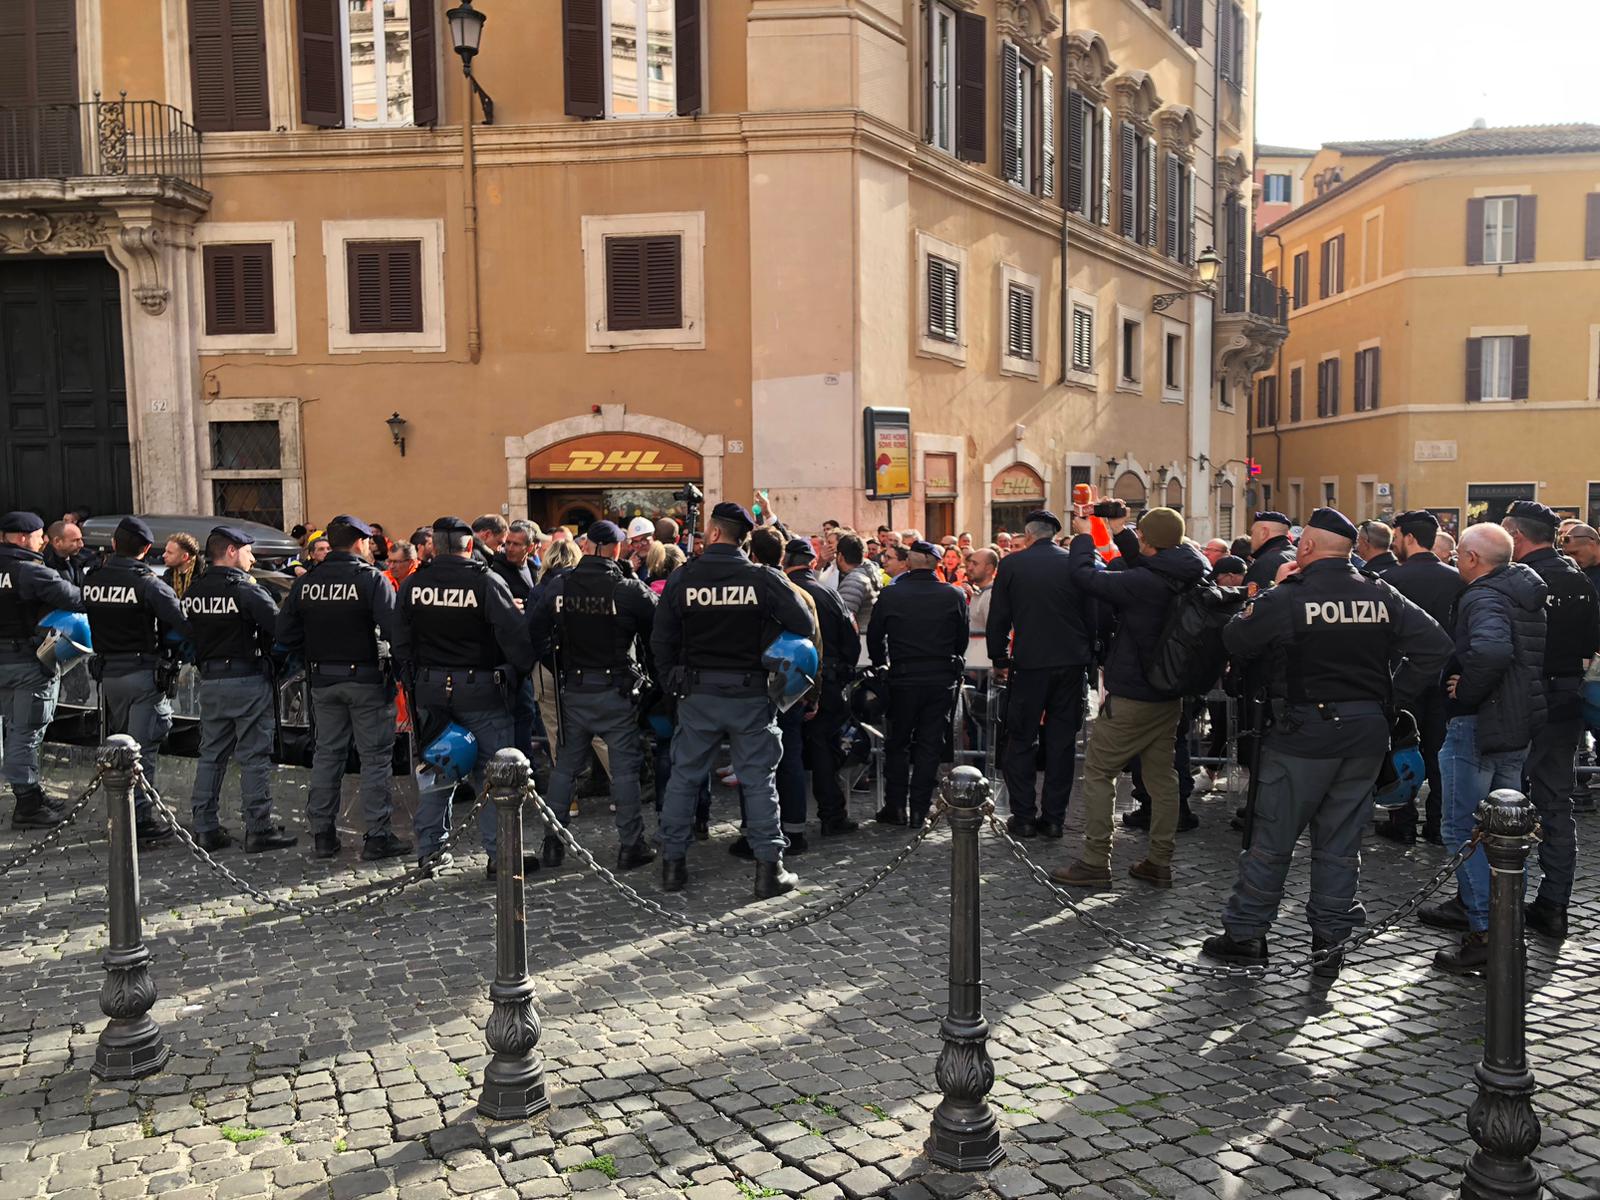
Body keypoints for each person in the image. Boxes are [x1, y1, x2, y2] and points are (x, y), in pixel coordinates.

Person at [1197, 508, 1452, 975]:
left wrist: (1274, 586)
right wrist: (1390, 699)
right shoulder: (1380, 591)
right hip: (1365, 735)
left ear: (1307, 547)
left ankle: (1246, 934)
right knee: (1340, 842)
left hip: (1302, 734)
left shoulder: (1290, 596)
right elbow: (1435, 646)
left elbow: (1236, 639)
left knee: (1273, 837)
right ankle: (1330, 943)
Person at [651, 502, 813, 897]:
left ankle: (672, 865)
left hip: (697, 692)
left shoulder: (683, 578)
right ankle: (768, 870)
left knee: (685, 778)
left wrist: (671, 680)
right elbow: (803, 625)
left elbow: (661, 639)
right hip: (750, 693)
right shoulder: (763, 579)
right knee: (759, 781)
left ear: (716, 533)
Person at [1054, 507, 1207, 891]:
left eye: (1140, 537)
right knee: (1162, 778)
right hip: (1167, 691)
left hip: (1134, 693)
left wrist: (1085, 536)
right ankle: (1159, 860)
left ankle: (1094, 860)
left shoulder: (1144, 582)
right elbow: (1149, 559)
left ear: (1150, 543)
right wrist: (1120, 530)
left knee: (1099, 772)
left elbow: (1086, 577)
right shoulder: (1190, 568)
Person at [1416, 523, 1547, 972]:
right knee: (1506, 834)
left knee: (1467, 831)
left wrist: (1463, 690)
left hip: (1481, 723)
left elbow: (1492, 651)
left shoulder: (1484, 595)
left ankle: (1487, 934)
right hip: (1513, 723)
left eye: (1458, 557)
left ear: (1471, 558)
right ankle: (1507, 934)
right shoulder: (1520, 590)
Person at [394, 516, 539, 880]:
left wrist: (414, 681)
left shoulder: (413, 585)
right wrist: (515, 675)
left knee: (438, 771)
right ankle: (501, 856)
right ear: (469, 547)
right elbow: (517, 639)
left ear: (434, 548)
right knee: (495, 776)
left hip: (431, 692)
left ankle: (430, 852)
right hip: (482, 694)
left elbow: (400, 640)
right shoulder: (486, 583)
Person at [275, 515, 410, 861]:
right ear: (359, 543)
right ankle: (377, 836)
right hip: (365, 679)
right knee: (375, 758)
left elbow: (285, 634)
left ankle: (322, 834)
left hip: (323, 680)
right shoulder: (370, 580)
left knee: (327, 755)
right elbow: (394, 631)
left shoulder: (308, 583)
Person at [529, 520, 658, 871]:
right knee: (625, 771)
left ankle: (552, 843)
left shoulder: (560, 586)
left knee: (565, 769)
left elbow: (534, 630)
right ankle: (631, 845)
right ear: (614, 548)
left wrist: (557, 668)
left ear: (587, 547)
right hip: (615, 689)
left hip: (575, 688)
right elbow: (659, 630)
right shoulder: (628, 589)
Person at [1501, 501, 1598, 941]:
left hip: (1518, 703)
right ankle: (1554, 903)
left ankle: (1495, 907)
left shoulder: (1514, 580)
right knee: (1556, 804)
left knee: (1500, 802)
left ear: (1516, 535)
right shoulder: (1580, 580)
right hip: (1565, 702)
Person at [181, 527, 295, 853]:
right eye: (248, 551)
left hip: (212, 681)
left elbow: (187, 633)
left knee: (211, 756)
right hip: (247, 679)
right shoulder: (246, 590)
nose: (252, 558)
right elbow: (281, 629)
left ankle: (205, 828)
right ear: (231, 551)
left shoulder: (195, 590)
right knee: (254, 756)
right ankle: (259, 828)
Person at [986, 510, 1095, 840]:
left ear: (1029, 535)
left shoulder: (1013, 564)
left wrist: (998, 656)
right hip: (1071, 663)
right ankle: (1054, 819)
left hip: (1030, 663)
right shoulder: (1073, 563)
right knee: (1062, 742)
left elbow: (999, 617)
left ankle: (1023, 816)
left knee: (1020, 739)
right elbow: (1092, 614)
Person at [83, 517, 191, 841]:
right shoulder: (149, 583)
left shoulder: (93, 579)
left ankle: (123, 814)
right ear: (146, 549)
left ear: (114, 544)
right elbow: (183, 623)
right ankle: (139, 822)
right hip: (142, 674)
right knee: (141, 752)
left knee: (120, 748)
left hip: (110, 676)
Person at [1377, 510, 1466, 844]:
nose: (1394, 542)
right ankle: (1438, 822)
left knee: (1402, 747)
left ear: (1409, 538)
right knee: (1439, 752)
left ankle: (1402, 819)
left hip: (1403, 677)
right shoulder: (1457, 578)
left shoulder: (1390, 580)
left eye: (1397, 536)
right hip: (1445, 678)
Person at [866, 540, 968, 828]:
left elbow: (875, 636)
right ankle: (919, 810)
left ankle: (896, 806)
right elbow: (961, 639)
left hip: (903, 678)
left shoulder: (892, 594)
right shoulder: (953, 595)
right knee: (929, 746)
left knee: (897, 744)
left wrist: (880, 665)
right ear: (935, 563)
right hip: (940, 679)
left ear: (909, 563)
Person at [0, 511, 83, 829]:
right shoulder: (28, 570)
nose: (43, 541)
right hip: (26, 661)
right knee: (27, 730)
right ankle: (27, 806)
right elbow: (75, 597)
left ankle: (31, 790)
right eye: (39, 536)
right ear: (22, 538)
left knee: (13, 729)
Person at [750, 527, 824, 853]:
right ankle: (793, 829)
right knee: (788, 756)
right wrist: (813, 692)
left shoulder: (750, 590)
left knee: (755, 761)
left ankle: (760, 831)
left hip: (757, 687)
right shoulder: (801, 595)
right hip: (791, 686)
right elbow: (815, 648)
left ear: (752, 554)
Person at [783, 535, 860, 839]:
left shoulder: (780, 591)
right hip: (826, 681)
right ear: (813, 563)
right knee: (822, 748)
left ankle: (784, 821)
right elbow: (851, 640)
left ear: (785, 562)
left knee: (786, 751)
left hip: (786, 681)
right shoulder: (829, 594)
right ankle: (832, 814)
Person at [834, 532, 879, 634]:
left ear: (840, 556)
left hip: (860, 641)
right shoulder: (866, 573)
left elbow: (844, 620)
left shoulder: (853, 581)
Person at [1245, 512, 1296, 592]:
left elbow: (1253, 601)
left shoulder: (1263, 564)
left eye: (1252, 533)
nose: (1251, 538)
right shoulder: (1299, 555)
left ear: (1263, 533)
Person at [42, 521, 87, 587]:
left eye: (81, 539)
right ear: (57, 541)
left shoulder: (83, 558)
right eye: (75, 540)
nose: (81, 544)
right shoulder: (44, 567)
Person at [964, 548, 998, 634]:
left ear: (989, 569)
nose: (970, 568)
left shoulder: (991, 595)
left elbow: (995, 633)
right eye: (970, 563)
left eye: (975, 564)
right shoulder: (980, 592)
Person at [1560, 522, 1600, 592]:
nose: (1572, 559)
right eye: (1568, 554)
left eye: (1575, 553)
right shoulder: (1576, 573)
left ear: (1592, 544)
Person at [163, 532, 202, 600]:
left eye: (170, 553)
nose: (164, 555)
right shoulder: (168, 576)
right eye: (165, 551)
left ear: (184, 557)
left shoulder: (202, 578)